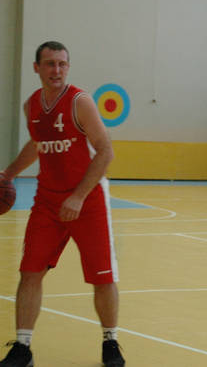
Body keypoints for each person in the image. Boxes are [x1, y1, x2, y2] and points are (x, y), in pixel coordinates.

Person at [0, 41, 125, 367]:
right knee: (30, 272)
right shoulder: (31, 106)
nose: (56, 70)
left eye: (62, 63)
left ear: (68, 67)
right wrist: (9, 173)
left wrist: (79, 196)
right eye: (50, 63)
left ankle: (110, 342)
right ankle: (22, 348)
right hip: (47, 202)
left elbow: (105, 151)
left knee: (102, 276)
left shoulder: (80, 102)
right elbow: (37, 144)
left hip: (88, 199)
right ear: (36, 67)